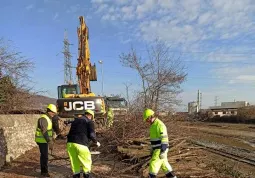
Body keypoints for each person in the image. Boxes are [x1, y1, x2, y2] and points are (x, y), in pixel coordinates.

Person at [143, 108, 177, 178]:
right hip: (157, 149)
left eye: (146, 119)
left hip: (160, 149)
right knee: (165, 167)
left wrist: (163, 150)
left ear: (150, 117)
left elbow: (164, 138)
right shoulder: (153, 125)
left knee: (153, 164)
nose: (146, 121)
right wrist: (152, 149)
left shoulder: (159, 125)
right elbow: (154, 139)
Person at [67, 109, 101, 178]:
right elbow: (92, 134)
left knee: (75, 162)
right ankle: (87, 176)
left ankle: (76, 176)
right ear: (91, 116)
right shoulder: (89, 121)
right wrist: (96, 142)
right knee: (86, 162)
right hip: (81, 144)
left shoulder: (76, 120)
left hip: (70, 144)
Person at [35, 104, 59, 177]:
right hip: (42, 140)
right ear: (49, 111)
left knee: (45, 156)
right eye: (53, 113)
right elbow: (44, 131)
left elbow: (49, 129)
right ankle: (44, 172)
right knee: (44, 156)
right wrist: (49, 141)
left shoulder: (48, 118)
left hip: (45, 140)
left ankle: (44, 171)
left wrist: (52, 136)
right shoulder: (43, 118)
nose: (54, 114)